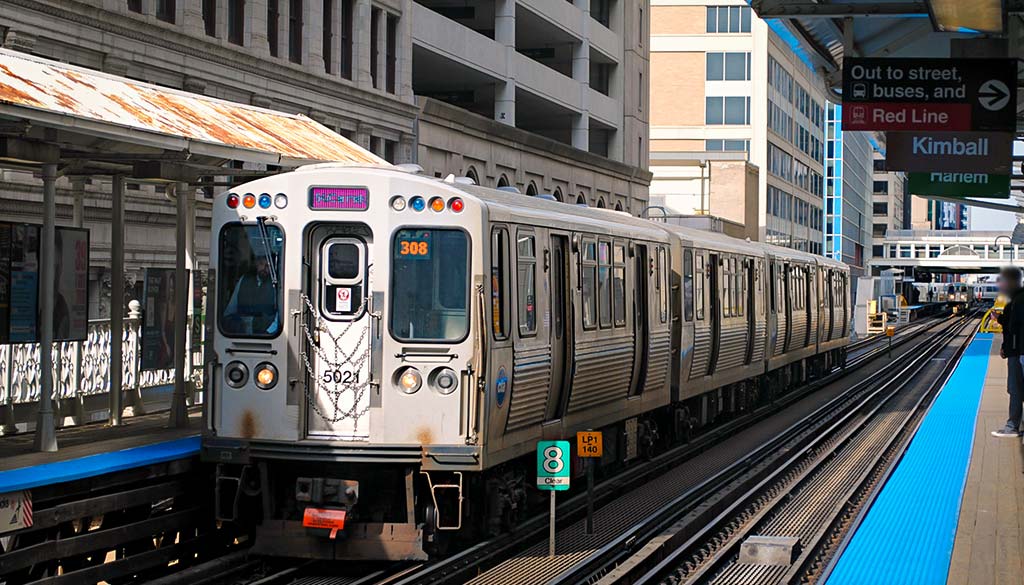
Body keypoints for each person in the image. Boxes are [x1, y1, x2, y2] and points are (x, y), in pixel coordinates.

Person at [993, 266, 1024, 437]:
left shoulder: (1017, 301)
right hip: (1016, 350)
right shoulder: (1016, 300)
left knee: (1015, 388)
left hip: (1018, 352)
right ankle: (1012, 426)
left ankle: (1012, 427)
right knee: (1016, 389)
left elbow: (1014, 327)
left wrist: (1008, 348)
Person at [222, 253, 279, 335]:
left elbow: (279, 317)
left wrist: (269, 331)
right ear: (256, 264)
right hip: (241, 334)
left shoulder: (276, 285)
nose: (264, 268)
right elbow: (231, 309)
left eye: (268, 266)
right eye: (261, 264)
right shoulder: (244, 280)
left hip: (267, 335)